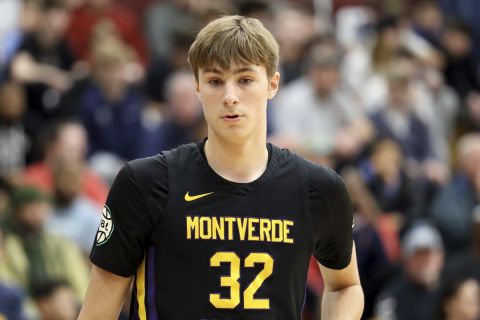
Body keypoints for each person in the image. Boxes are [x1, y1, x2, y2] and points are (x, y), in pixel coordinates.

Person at [78, 15, 363, 319]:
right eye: (215, 81)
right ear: (197, 87)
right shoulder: (145, 183)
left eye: (245, 80)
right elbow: (98, 310)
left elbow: (345, 286)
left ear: (272, 84)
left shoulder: (318, 189)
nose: (230, 97)